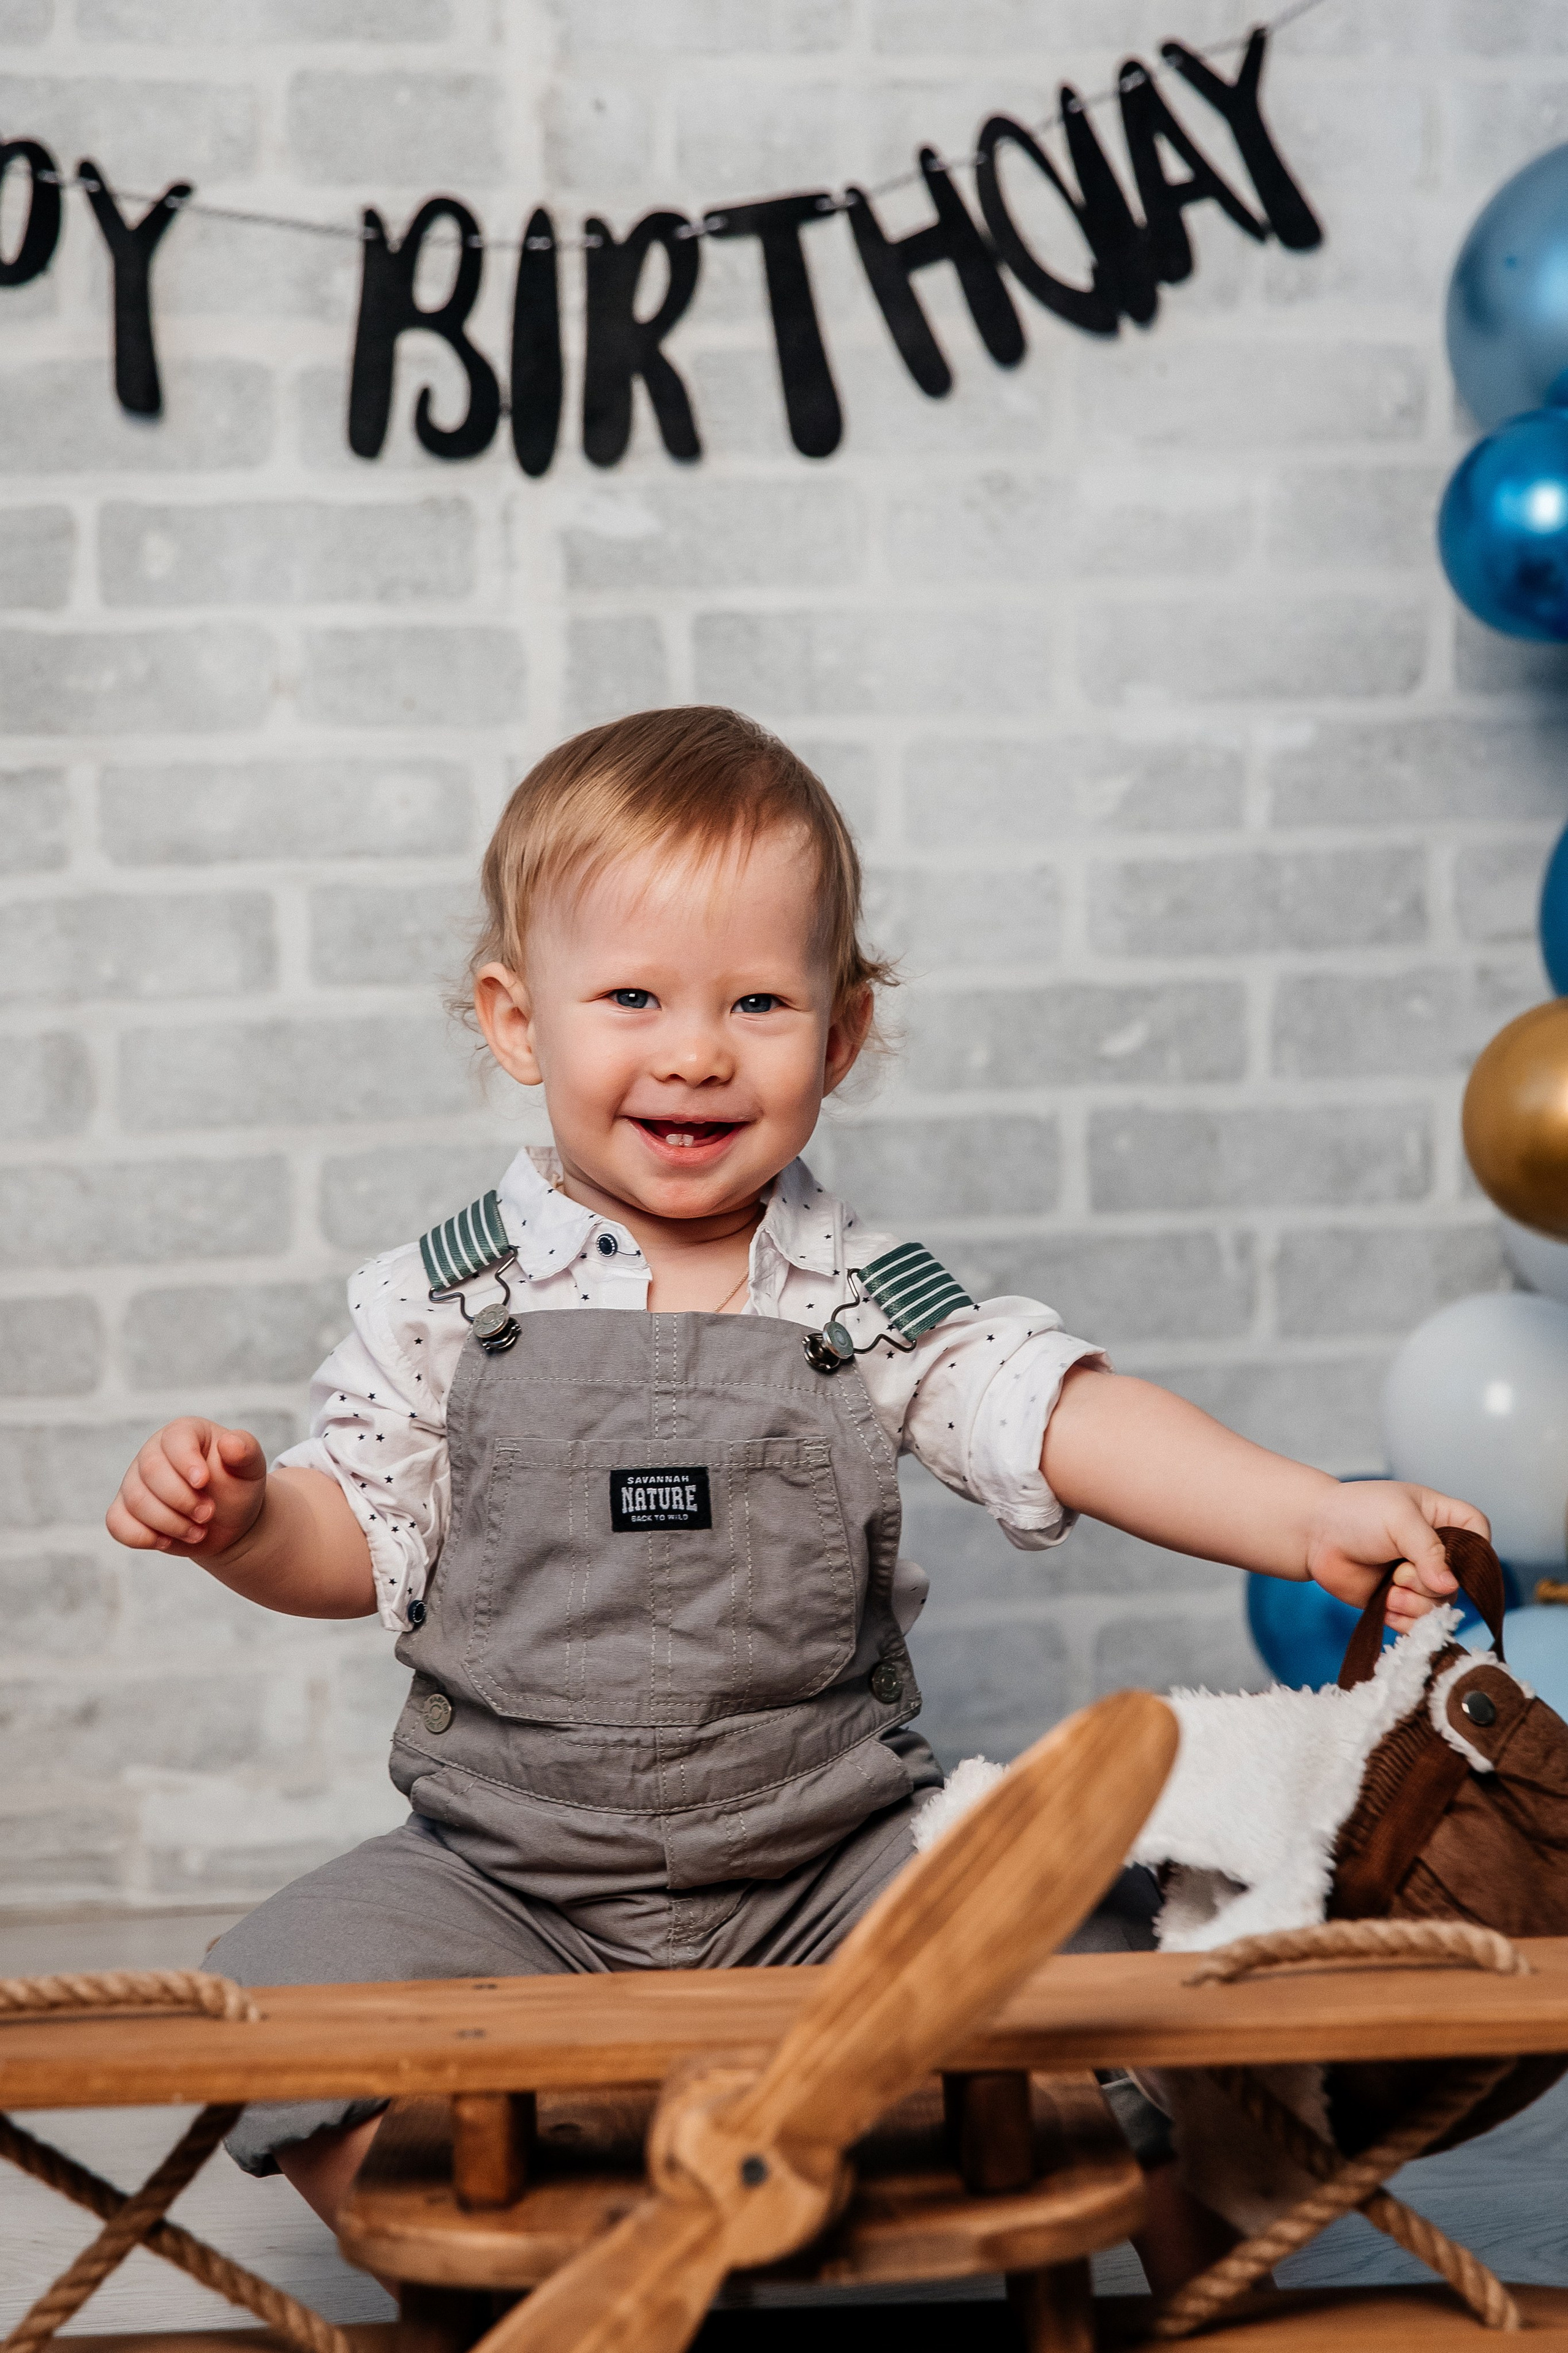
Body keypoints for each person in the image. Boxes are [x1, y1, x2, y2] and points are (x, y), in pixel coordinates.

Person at [107, 705, 1483, 2272]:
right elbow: (353, 1531)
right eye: (630, 996)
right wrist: (238, 1528)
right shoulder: (441, 1301)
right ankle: (531, 2260)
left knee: (1109, 1961)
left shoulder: (857, 1294)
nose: (694, 1051)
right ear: (516, 1017)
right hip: (507, 1877)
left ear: (836, 1034)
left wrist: (1303, 1517)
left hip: (829, 1864)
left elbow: (1057, 1416)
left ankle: (1184, 2275)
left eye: (756, 1002)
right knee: (286, 1991)